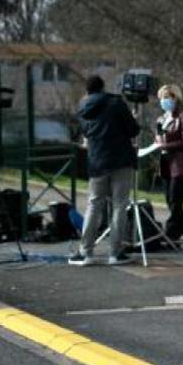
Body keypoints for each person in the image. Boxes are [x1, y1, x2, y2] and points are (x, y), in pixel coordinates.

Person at [69, 75, 140, 266]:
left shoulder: (83, 108)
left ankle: (85, 252)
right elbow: (134, 130)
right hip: (121, 160)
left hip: (97, 162)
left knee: (94, 204)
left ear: (87, 91)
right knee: (119, 205)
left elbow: (86, 134)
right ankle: (115, 253)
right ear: (102, 87)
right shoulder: (116, 103)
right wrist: (132, 120)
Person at [155, 84, 183, 241]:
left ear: (175, 98)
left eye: (167, 97)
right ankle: (182, 227)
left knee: (175, 198)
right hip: (165, 164)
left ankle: (172, 232)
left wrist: (165, 146)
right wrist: (157, 144)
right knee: (169, 200)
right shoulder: (161, 119)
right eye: (161, 98)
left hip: (180, 165)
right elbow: (158, 138)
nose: (164, 101)